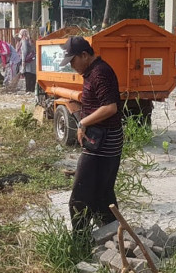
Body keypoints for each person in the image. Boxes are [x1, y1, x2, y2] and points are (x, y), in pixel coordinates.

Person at [59, 36, 123, 233]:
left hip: (104, 142)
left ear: (84, 55)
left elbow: (110, 107)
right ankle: (113, 236)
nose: (72, 66)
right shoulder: (93, 71)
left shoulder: (100, 73)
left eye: (73, 61)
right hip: (100, 139)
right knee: (102, 194)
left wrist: (83, 122)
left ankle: (81, 241)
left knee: (80, 197)